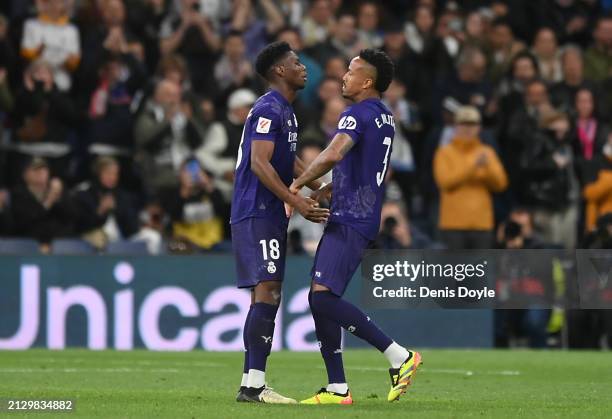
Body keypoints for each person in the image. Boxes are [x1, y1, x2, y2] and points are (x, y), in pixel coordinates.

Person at [288, 49, 420, 405]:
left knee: (322, 297)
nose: (343, 77)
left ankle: (398, 355)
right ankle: (337, 388)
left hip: (351, 218)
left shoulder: (357, 113)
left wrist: (296, 186)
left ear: (367, 82)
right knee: (320, 299)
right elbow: (364, 165)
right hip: (357, 213)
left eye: (351, 71)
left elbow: (333, 154)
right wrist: (331, 188)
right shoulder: (385, 117)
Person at [231, 41, 329, 404]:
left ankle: (252, 383)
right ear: (278, 71)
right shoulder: (269, 108)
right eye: (296, 62)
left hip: (268, 211)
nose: (303, 67)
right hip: (256, 209)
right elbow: (260, 163)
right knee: (267, 290)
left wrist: (320, 188)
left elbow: (288, 163)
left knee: (268, 292)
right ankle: (253, 386)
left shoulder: (286, 111)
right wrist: (295, 201)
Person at [434, 106, 508, 249]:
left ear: (479, 127)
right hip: (453, 224)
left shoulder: (487, 152)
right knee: (454, 269)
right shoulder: (444, 153)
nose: (468, 128)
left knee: (480, 269)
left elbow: (501, 183)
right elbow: (445, 182)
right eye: (464, 123)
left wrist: (487, 169)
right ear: (456, 126)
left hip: (482, 223)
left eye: (473, 124)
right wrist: (473, 166)